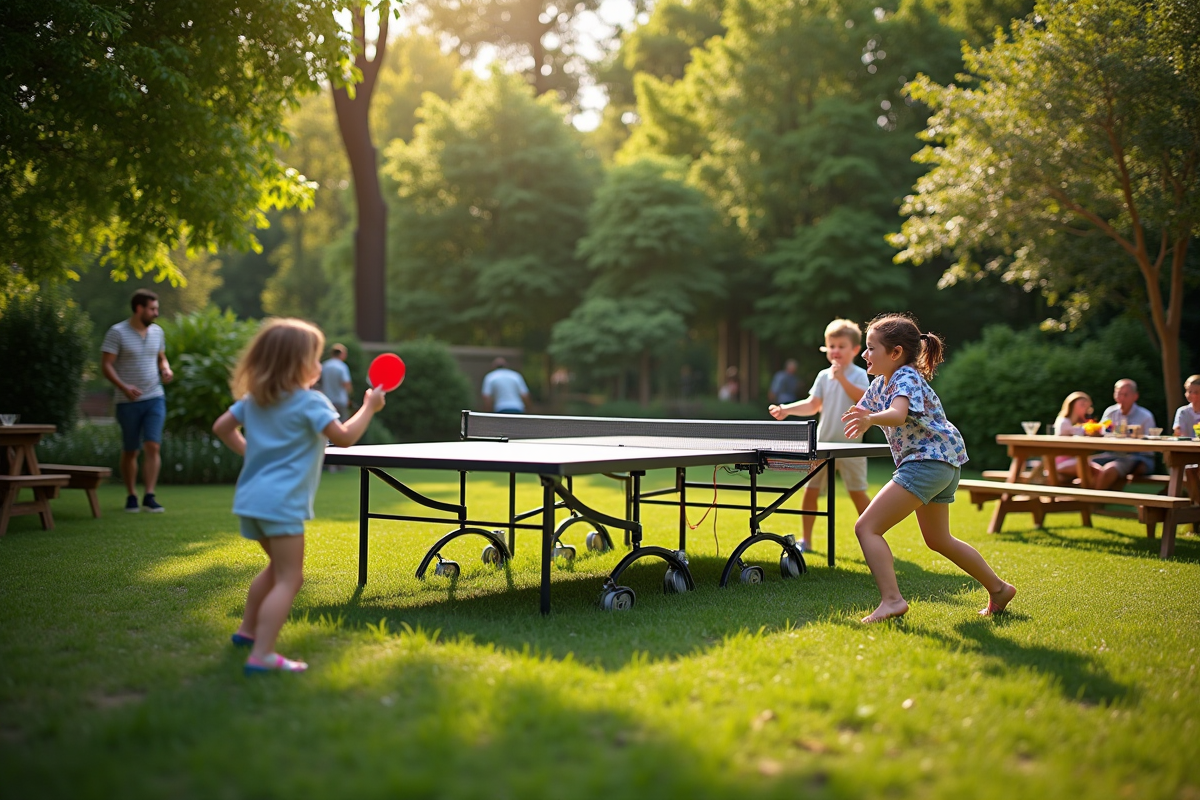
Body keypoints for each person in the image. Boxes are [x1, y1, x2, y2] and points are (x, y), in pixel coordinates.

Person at [213, 319, 387, 675]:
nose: (320, 365)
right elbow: (343, 438)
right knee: (292, 578)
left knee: (277, 569)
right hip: (281, 503)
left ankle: (247, 633)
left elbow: (221, 428)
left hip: (250, 499)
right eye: (315, 357)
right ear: (299, 363)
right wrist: (370, 406)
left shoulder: (255, 400)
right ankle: (262, 654)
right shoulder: (311, 402)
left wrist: (250, 452)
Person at [842, 313, 1015, 623]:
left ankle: (892, 601)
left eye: (871, 348)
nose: (864, 354)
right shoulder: (880, 382)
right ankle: (999, 588)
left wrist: (869, 420)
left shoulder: (905, 376)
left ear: (895, 353)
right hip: (943, 464)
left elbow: (897, 413)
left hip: (926, 461)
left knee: (866, 528)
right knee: (938, 539)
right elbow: (862, 408)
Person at [768, 320, 871, 552]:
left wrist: (842, 378)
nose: (835, 351)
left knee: (858, 493)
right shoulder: (824, 376)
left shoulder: (859, 374)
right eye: (831, 346)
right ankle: (807, 540)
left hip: (853, 446)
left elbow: (863, 400)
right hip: (822, 445)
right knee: (810, 490)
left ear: (855, 350)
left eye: (841, 346)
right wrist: (787, 409)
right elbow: (813, 405)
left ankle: (873, 539)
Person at [101, 288, 173, 514]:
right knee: (131, 450)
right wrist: (124, 386)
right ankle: (132, 495)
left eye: (156, 309)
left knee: (152, 445)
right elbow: (106, 365)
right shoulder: (117, 332)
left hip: (154, 397)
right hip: (127, 401)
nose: (156, 313)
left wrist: (166, 368)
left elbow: (161, 358)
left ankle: (149, 496)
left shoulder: (157, 332)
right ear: (139, 308)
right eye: (152, 309)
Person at [1052, 392, 1122, 489]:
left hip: (1075, 459)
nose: (1085, 409)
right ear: (1072, 405)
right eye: (1082, 405)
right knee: (1096, 472)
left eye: (1087, 406)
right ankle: (1092, 499)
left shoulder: (1078, 422)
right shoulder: (1064, 422)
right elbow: (1081, 432)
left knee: (1100, 472)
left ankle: (1091, 499)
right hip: (1061, 462)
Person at [1094, 379, 1157, 479]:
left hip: (1139, 457)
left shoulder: (1145, 416)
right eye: (1119, 394)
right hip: (1113, 454)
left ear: (1135, 396)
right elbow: (1103, 432)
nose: (1121, 398)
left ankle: (1093, 494)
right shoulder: (1110, 413)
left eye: (1126, 395)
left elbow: (1149, 444)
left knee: (1111, 469)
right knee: (1086, 465)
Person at [319, 344, 353, 420]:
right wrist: (349, 397)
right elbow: (346, 383)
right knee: (343, 423)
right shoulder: (342, 366)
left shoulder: (325, 365)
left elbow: (319, 382)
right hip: (340, 400)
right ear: (341, 354)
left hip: (327, 399)